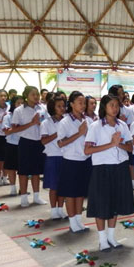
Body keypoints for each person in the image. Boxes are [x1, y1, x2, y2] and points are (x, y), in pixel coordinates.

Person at [84, 95, 134, 251]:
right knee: (102, 205)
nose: (115, 108)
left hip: (120, 168)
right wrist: (110, 144)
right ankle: (102, 239)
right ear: (104, 107)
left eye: (116, 105)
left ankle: (112, 237)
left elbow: (131, 147)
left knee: (115, 203)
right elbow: (87, 150)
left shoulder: (122, 125)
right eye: (111, 105)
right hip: (103, 169)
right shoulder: (96, 126)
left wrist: (119, 144)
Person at [57, 91, 90, 233]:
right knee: (70, 193)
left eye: (84, 103)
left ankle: (78, 220)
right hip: (70, 160)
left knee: (80, 192)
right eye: (79, 103)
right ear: (71, 104)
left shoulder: (87, 120)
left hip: (84, 160)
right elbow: (60, 143)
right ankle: (72, 222)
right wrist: (79, 133)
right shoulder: (65, 121)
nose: (83, 105)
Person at [10, 86, 48, 207]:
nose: (36, 96)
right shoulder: (19, 110)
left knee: (36, 171)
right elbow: (14, 129)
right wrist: (31, 123)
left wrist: (40, 123)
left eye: (37, 94)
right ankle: (23, 197)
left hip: (39, 142)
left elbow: (47, 123)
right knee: (24, 171)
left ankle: (37, 196)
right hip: (25, 142)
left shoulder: (42, 108)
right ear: (26, 96)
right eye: (33, 94)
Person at [41, 95, 67, 220]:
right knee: (53, 186)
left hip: (65, 156)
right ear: (52, 108)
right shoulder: (46, 123)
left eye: (63, 106)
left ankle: (61, 208)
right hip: (52, 156)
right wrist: (57, 133)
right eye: (59, 106)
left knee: (63, 185)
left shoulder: (67, 121)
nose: (62, 108)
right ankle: (53, 210)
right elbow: (44, 141)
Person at [2, 95, 23, 196]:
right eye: (18, 103)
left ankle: (22, 189)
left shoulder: (26, 116)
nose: (20, 105)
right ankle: (13, 188)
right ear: (13, 104)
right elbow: (6, 132)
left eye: (22, 103)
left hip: (23, 143)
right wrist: (17, 129)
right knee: (11, 167)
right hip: (11, 144)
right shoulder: (8, 116)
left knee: (23, 168)